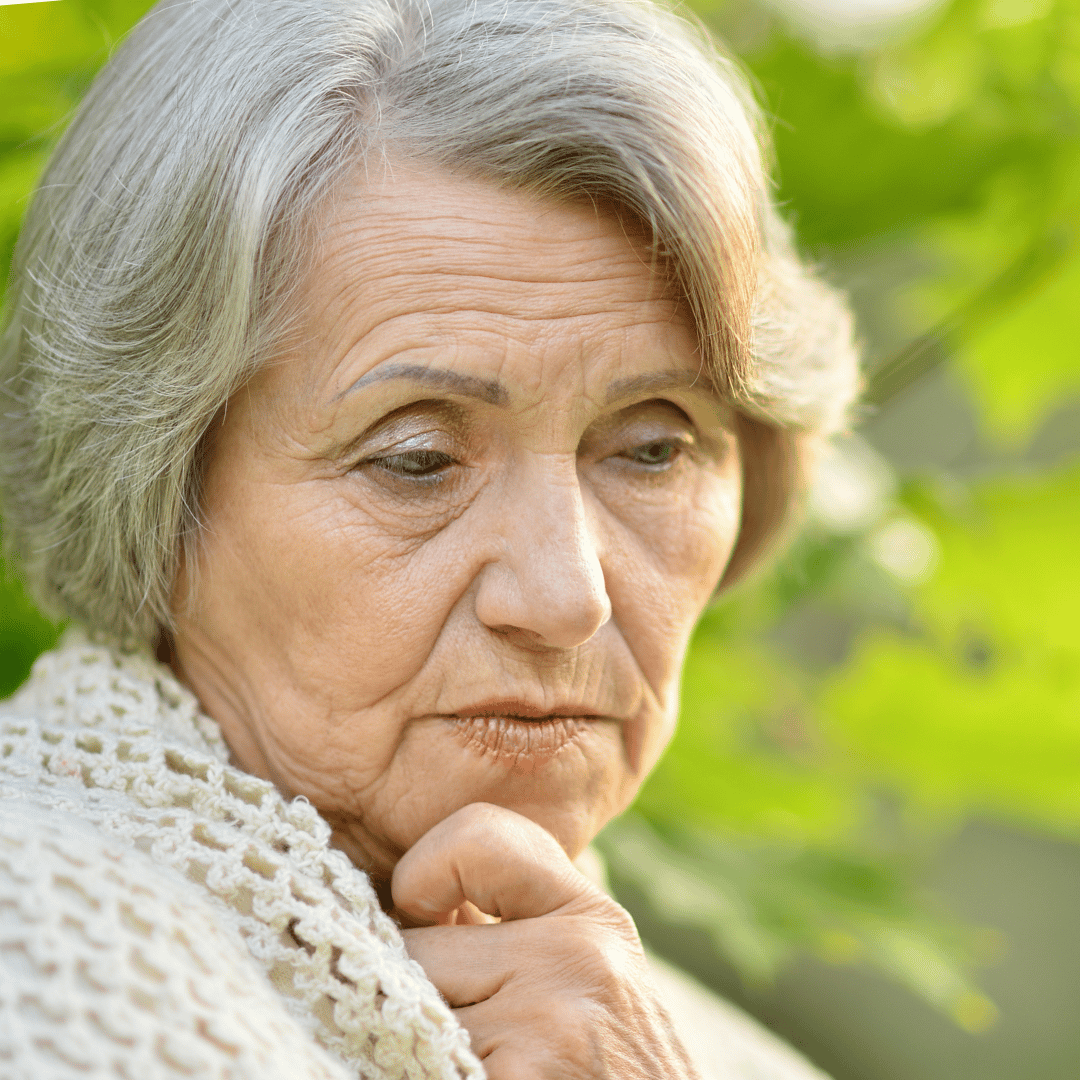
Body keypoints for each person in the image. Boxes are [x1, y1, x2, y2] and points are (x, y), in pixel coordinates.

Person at [0, 0, 858, 1077]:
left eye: (651, 449)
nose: (564, 597)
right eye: (415, 460)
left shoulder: (682, 1038)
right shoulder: (44, 952)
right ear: (149, 484)